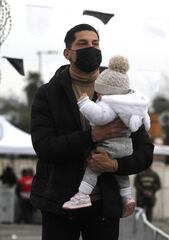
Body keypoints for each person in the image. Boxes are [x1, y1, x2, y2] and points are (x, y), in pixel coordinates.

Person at [30, 23, 153, 240]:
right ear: (68, 53)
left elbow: (145, 151)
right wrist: (92, 136)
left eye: (95, 43)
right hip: (58, 203)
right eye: (83, 44)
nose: (91, 48)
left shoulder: (123, 93)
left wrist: (115, 165)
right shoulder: (48, 94)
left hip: (104, 206)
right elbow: (44, 147)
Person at [62, 55, 151, 219]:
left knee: (93, 168)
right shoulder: (132, 105)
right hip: (126, 149)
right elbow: (145, 124)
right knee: (122, 175)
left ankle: (82, 195)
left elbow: (99, 116)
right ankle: (127, 197)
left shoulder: (109, 103)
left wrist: (84, 103)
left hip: (109, 150)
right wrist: (117, 165)